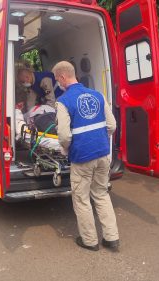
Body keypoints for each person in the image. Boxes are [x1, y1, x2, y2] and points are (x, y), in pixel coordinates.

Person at [53, 61, 119, 252]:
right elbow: (112, 125)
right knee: (101, 194)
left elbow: (64, 136)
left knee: (81, 199)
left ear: (63, 77)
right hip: (103, 154)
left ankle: (90, 241)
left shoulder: (63, 101)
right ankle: (111, 238)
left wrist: (66, 149)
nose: (58, 83)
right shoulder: (98, 95)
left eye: (57, 79)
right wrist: (99, 139)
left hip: (82, 157)